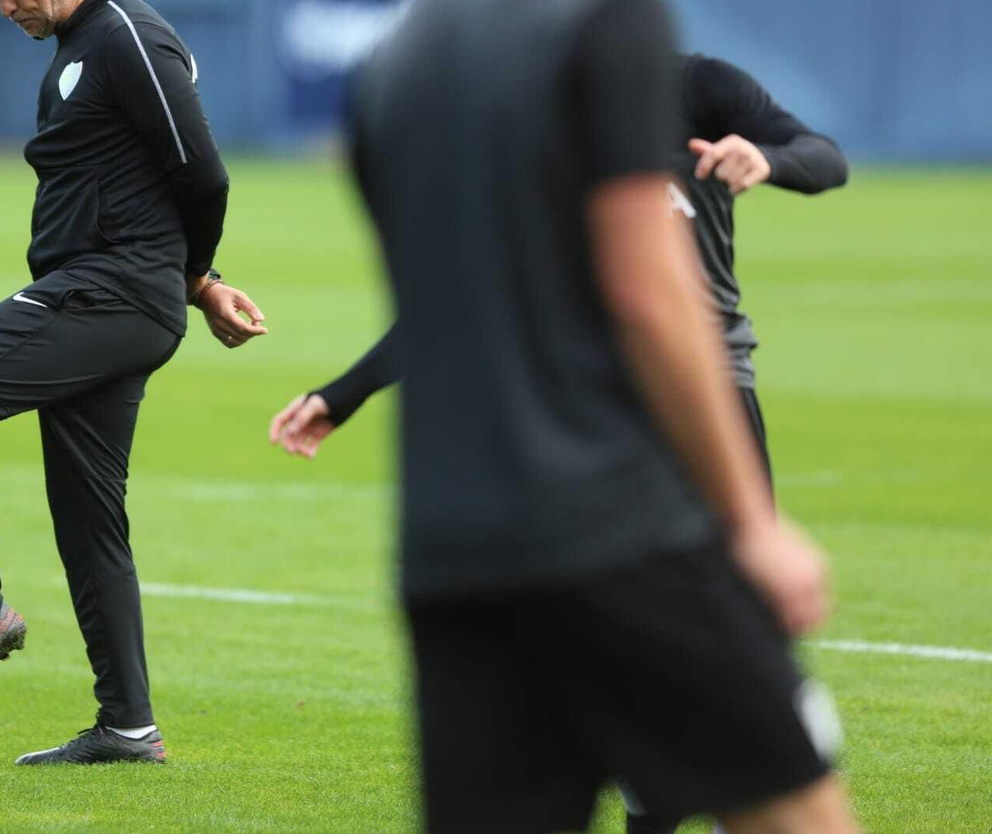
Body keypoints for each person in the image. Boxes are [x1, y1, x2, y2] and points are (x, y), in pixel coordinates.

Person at [296, 0, 859, 829]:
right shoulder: (611, 14)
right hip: (616, 523)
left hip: (454, 553)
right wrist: (750, 523)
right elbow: (649, 292)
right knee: (799, 814)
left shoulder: (398, 54)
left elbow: (452, 300)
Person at [271, 54, 849, 832]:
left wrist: (766, 158)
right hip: (594, 411)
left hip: (712, 394)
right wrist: (342, 394)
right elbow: (462, 299)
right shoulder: (523, 130)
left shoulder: (698, 86)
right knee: (623, 624)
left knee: (746, 623)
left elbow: (825, 161)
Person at [0, 0, 267, 766]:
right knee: (88, 517)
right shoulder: (75, 48)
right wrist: (196, 287)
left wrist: (190, 278)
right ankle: (128, 726)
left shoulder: (128, 35)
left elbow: (203, 174)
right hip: (110, 292)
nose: (5, 6)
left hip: (114, 292)